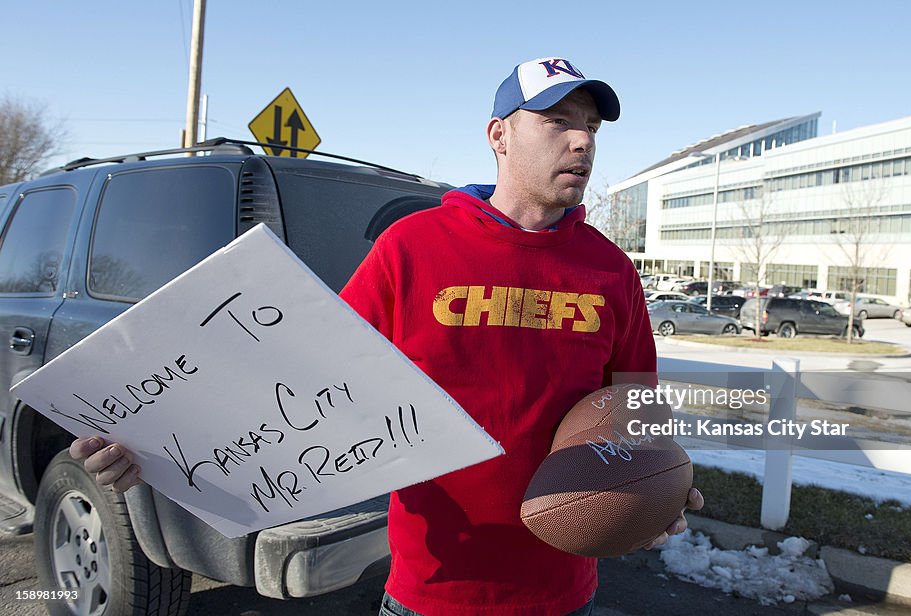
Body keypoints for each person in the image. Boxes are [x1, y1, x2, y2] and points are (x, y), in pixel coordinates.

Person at [71, 56, 703, 616]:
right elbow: (293, 375)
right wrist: (151, 445)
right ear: (499, 135)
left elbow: (633, 403)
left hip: (563, 590)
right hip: (434, 587)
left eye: (590, 126)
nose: (580, 141)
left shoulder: (610, 271)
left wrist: (656, 485)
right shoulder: (414, 248)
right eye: (557, 120)